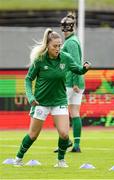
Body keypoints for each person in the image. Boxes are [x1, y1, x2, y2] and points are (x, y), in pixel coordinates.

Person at [13, 28, 91, 168]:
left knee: (64, 134)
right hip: (41, 102)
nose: (58, 48)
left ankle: (61, 161)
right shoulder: (39, 60)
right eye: (55, 46)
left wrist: (85, 68)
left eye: (60, 45)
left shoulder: (65, 57)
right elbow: (28, 79)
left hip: (59, 101)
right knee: (33, 135)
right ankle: (18, 158)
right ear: (47, 46)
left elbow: (77, 69)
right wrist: (31, 97)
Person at [61, 13, 85, 152]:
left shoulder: (70, 42)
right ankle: (76, 145)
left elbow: (75, 63)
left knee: (59, 111)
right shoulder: (74, 40)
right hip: (76, 82)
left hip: (71, 82)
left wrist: (75, 82)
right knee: (74, 112)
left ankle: (66, 142)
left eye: (65, 28)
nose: (64, 31)